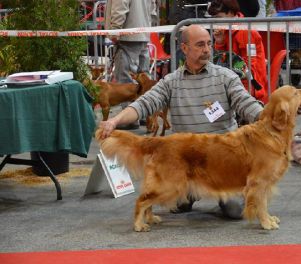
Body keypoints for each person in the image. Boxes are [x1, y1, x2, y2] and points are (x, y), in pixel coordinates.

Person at [99, 25, 264, 219]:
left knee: (235, 211)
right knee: (176, 204)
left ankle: (223, 196)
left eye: (209, 44)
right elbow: (143, 104)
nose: (207, 50)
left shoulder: (226, 77)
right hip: (186, 161)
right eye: (200, 45)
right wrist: (115, 121)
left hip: (222, 161)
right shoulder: (170, 81)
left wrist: (268, 118)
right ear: (184, 48)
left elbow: (247, 104)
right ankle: (193, 194)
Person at [208, 0, 269, 103]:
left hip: (251, 85)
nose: (216, 23)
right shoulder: (225, 29)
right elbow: (220, 61)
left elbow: (250, 67)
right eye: (214, 19)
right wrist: (220, 42)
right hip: (234, 80)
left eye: (219, 18)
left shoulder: (246, 31)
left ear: (231, 13)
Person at [105, 0, 151, 83]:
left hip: (127, 38)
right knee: (145, 80)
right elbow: (152, 9)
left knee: (125, 82)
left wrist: (115, 31)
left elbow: (120, 8)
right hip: (143, 33)